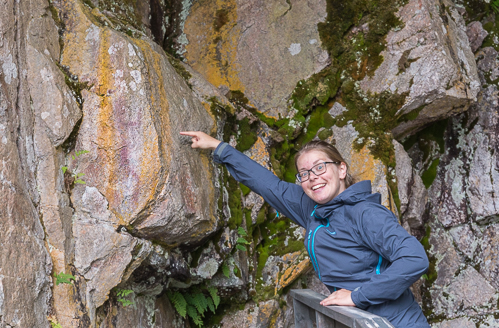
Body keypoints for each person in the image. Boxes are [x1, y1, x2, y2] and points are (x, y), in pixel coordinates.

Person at [180, 131, 430, 328]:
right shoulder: (312, 207)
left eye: (320, 167)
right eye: (304, 174)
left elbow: (414, 258)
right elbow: (269, 185)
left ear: (341, 169)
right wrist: (218, 147)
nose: (312, 177)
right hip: (360, 320)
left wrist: (357, 296)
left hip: (394, 322)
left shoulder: (365, 214)